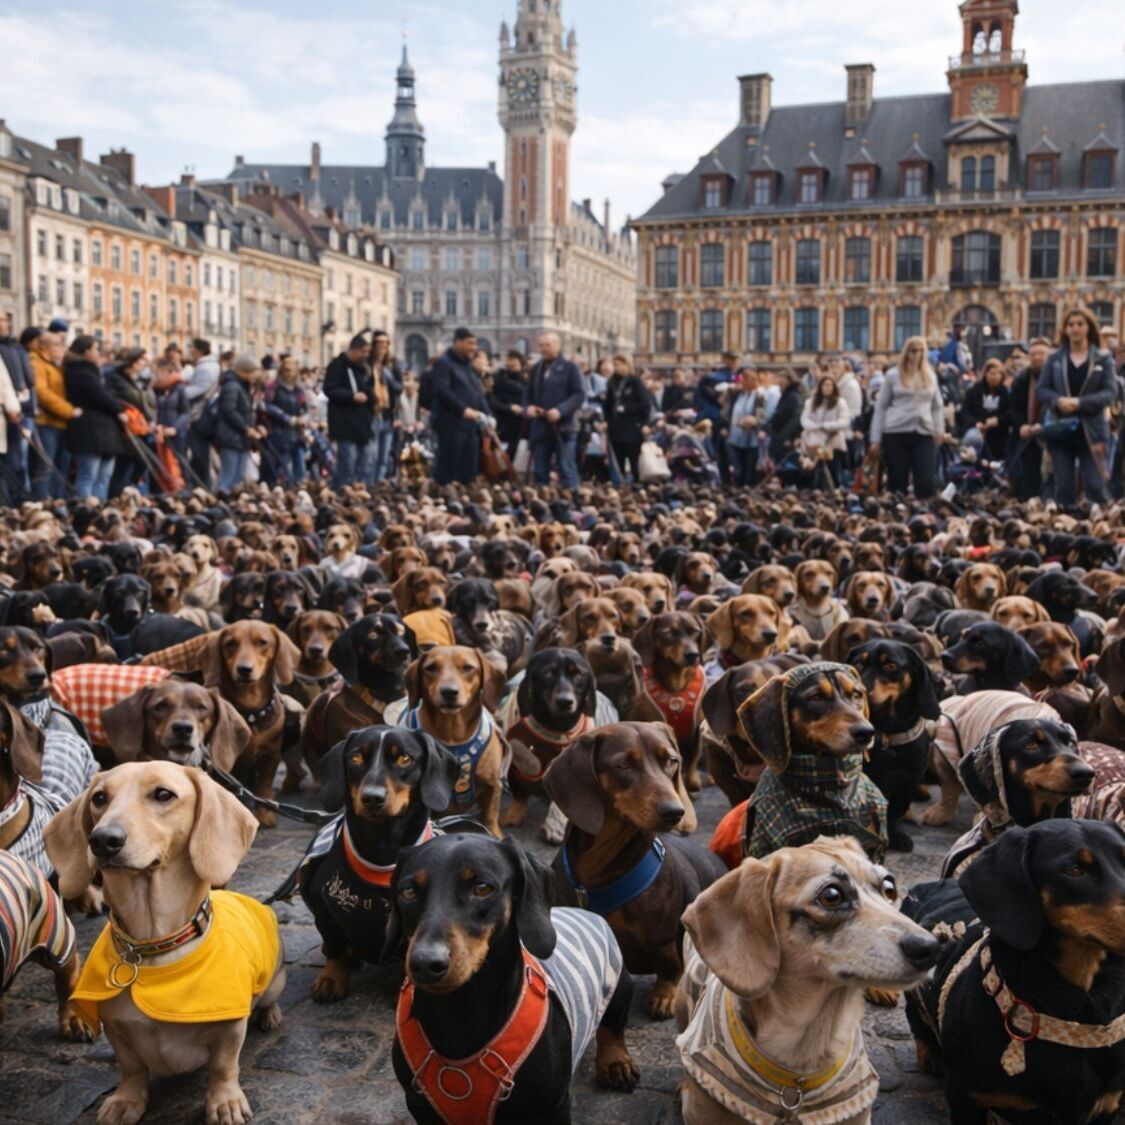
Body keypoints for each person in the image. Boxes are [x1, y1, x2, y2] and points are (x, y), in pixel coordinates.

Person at [1037, 307, 1117, 508]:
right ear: (1064, 329)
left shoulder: (1103, 358)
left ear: (1088, 327)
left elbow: (1110, 393)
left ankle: (1099, 531)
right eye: (1070, 324)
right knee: (1063, 487)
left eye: (1080, 324)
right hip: (1060, 428)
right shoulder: (1055, 358)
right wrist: (1057, 401)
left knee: (1095, 486)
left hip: (1093, 431)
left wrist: (1080, 403)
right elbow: (1042, 389)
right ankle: (1067, 532)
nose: (1075, 328)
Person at [870, 336, 945, 498]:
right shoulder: (892, 375)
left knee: (925, 479)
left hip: (924, 431)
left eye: (920, 351)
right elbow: (881, 406)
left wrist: (939, 429)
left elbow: (937, 405)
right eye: (913, 351)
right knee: (897, 480)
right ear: (906, 352)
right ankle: (896, 512)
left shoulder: (930, 375)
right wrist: (875, 438)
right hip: (896, 431)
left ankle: (924, 515)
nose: (916, 355)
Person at [63, 336, 127, 501]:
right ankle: (83, 511)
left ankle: (100, 512)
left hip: (104, 432)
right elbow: (100, 395)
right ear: (86, 351)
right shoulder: (79, 371)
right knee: (88, 475)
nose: (99, 353)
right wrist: (118, 409)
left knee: (102, 477)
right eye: (96, 349)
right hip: (90, 430)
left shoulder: (91, 371)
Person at [525, 331, 584, 489]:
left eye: (548, 345)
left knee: (566, 469)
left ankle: (573, 503)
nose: (544, 349)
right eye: (541, 345)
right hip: (541, 427)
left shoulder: (570, 367)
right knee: (540, 470)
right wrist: (528, 408)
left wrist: (560, 410)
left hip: (564, 427)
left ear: (557, 346)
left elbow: (579, 394)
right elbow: (528, 394)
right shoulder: (536, 369)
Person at [430, 328, 489, 486]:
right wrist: (463, 409)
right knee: (448, 468)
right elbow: (442, 390)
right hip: (451, 424)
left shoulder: (468, 365)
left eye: (475, 343)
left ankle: (465, 500)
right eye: (470, 343)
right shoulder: (444, 363)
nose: (474, 347)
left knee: (469, 468)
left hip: (471, 426)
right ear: (457, 342)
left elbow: (478, 392)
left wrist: (488, 415)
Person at [30, 330, 78, 500]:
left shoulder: (55, 365)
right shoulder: (37, 363)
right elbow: (42, 393)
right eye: (57, 344)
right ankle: (43, 501)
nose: (61, 348)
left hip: (59, 422)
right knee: (45, 466)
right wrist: (68, 409)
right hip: (47, 422)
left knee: (60, 467)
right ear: (45, 346)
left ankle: (58, 501)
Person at [323, 334, 374, 488]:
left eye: (367, 352)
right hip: (345, 424)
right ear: (353, 350)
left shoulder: (363, 369)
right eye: (362, 351)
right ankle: (341, 492)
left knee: (365, 464)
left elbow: (368, 391)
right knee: (347, 464)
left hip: (361, 424)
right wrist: (351, 396)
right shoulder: (337, 366)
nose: (365, 355)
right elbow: (329, 389)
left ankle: (358, 492)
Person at [106, 349, 154, 496]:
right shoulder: (116, 377)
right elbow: (133, 399)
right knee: (123, 466)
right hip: (125, 428)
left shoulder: (137, 380)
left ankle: (127, 492)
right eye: (140, 361)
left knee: (137, 464)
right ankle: (118, 496)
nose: (142, 365)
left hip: (137, 427)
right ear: (131, 362)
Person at [214, 354, 263, 494]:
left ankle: (230, 501)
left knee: (238, 476)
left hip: (240, 437)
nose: (255, 376)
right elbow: (229, 411)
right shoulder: (232, 386)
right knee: (228, 475)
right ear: (245, 371)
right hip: (231, 437)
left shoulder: (242, 385)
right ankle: (222, 500)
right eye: (253, 372)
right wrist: (246, 428)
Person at [1006, 338, 1048, 500]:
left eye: (1041, 353)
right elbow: (1014, 407)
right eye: (1034, 354)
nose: (1037, 357)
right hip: (1028, 432)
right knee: (1029, 472)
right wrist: (1021, 425)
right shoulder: (1022, 379)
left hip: (1052, 431)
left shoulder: (1057, 376)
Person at [603, 354, 653, 482]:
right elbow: (607, 405)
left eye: (618, 365)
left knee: (634, 459)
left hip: (633, 428)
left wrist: (645, 423)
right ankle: (619, 483)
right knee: (618, 460)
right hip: (616, 428)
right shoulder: (612, 382)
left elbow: (645, 404)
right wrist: (607, 421)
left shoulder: (635, 382)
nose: (616, 368)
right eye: (614, 365)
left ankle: (637, 483)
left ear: (627, 365)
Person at [263, 356, 308, 485]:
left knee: (300, 465)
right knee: (281, 465)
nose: (290, 373)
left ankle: (298, 486)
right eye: (287, 370)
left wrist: (303, 417)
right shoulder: (273, 386)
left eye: (293, 370)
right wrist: (286, 418)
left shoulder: (298, 389)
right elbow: (268, 405)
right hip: (279, 431)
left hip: (297, 433)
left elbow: (304, 407)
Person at [800, 374, 852, 484]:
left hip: (832, 442)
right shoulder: (811, 402)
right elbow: (804, 420)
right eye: (824, 385)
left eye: (830, 385)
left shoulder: (840, 402)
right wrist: (817, 427)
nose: (827, 388)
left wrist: (826, 426)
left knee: (832, 470)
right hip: (813, 442)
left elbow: (844, 421)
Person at [184, 339, 219, 489]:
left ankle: (201, 486)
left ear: (198, 351)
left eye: (191, 348)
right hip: (206, 414)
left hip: (201, 415)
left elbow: (199, 389)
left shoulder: (205, 368)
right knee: (202, 456)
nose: (189, 352)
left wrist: (179, 393)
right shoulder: (210, 365)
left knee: (200, 456)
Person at [961, 357, 1010, 462]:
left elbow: (1010, 413)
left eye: (997, 374)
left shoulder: (1006, 393)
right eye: (991, 373)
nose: (994, 377)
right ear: (985, 374)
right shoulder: (974, 392)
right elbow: (964, 412)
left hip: (999, 434)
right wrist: (976, 423)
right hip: (978, 432)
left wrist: (998, 420)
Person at [368, 331, 401, 484]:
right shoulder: (368, 364)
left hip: (388, 414)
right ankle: (370, 482)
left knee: (384, 455)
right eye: (379, 343)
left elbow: (399, 387)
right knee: (372, 454)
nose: (382, 347)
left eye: (385, 344)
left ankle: (379, 481)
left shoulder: (392, 365)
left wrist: (389, 378)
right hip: (373, 414)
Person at [726, 367, 764, 486]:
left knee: (749, 470)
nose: (748, 380)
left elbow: (761, 416)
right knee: (737, 470)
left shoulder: (759, 396)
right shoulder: (737, 394)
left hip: (751, 438)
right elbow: (728, 412)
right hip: (734, 437)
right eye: (746, 378)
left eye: (753, 378)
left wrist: (754, 421)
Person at [490, 350, 528, 458]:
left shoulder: (525, 380)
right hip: (501, 418)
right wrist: (509, 407)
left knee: (511, 451)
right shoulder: (500, 377)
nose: (510, 363)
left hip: (518, 420)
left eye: (513, 360)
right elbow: (493, 399)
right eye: (508, 359)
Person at [766, 368, 804, 466]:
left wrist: (787, 437)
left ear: (788, 380)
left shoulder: (793, 396)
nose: (778, 382)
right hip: (779, 436)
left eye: (781, 379)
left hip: (785, 439)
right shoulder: (785, 395)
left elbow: (795, 419)